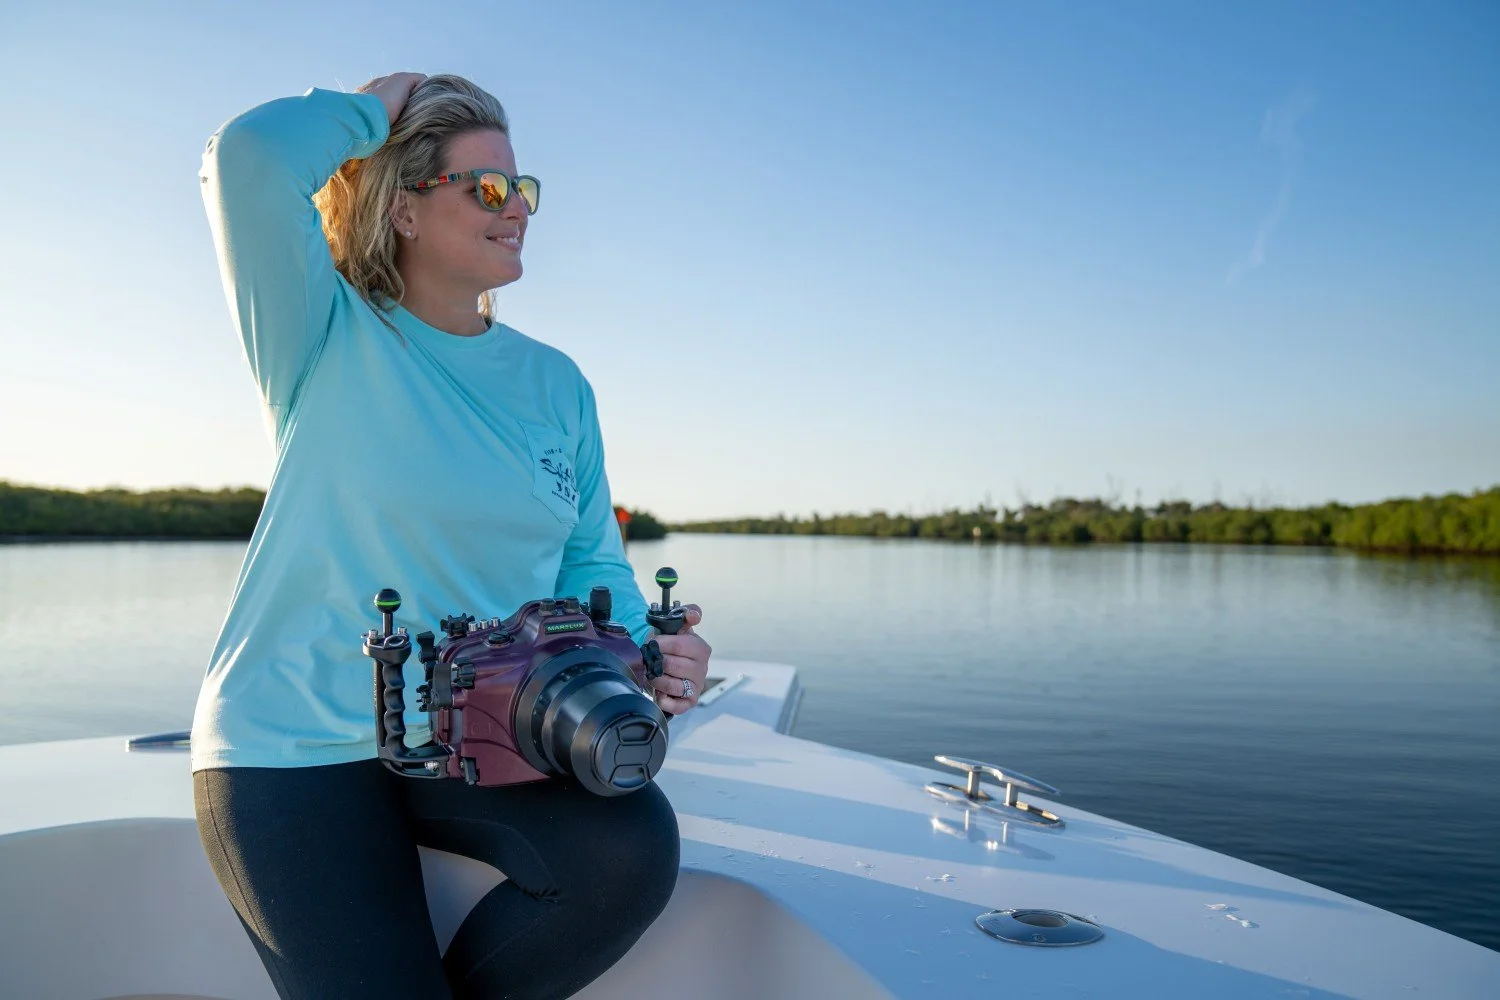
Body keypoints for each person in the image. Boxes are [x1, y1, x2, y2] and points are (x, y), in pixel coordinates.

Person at [191, 71, 712, 999]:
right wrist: (372, 111)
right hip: (293, 742)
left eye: (524, 189)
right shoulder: (323, 331)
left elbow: (589, 559)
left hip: (477, 735)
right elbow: (249, 160)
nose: (518, 210)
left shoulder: (558, 385)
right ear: (403, 209)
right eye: (489, 188)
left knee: (629, 851)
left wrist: (648, 654)